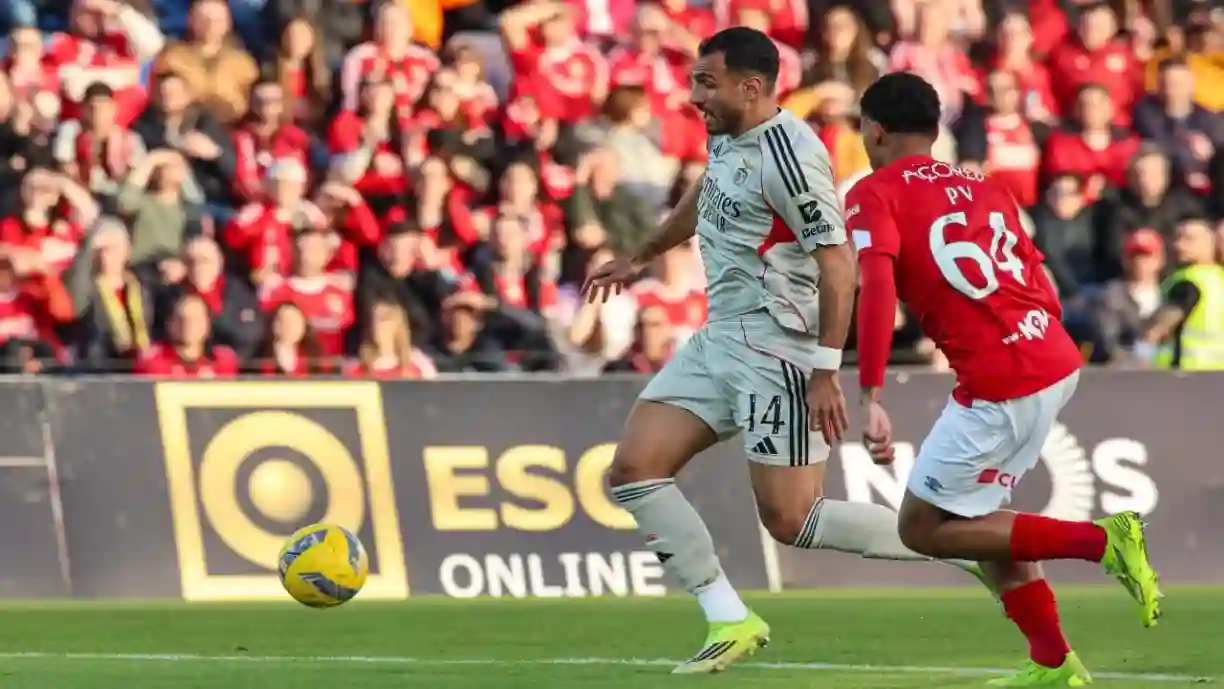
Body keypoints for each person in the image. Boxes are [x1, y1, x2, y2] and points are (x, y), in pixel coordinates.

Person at [583, 27, 983, 675]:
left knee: (792, 518)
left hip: (780, 349)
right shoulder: (727, 135)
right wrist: (644, 254)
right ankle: (727, 616)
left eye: (707, 83)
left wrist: (824, 368)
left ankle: (966, 545)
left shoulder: (792, 154)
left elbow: (837, 264)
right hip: (721, 337)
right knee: (633, 469)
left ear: (753, 87)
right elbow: (706, 196)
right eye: (694, 81)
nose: (694, 96)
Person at [847, 72, 1162, 687]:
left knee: (922, 527)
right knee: (982, 522)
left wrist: (871, 392)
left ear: (874, 130)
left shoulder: (873, 192)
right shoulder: (982, 184)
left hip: (1004, 376)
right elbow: (1037, 274)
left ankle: (1103, 541)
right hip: (1050, 353)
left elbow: (878, 287)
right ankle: (1053, 663)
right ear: (935, 130)